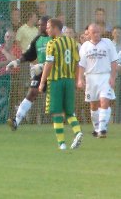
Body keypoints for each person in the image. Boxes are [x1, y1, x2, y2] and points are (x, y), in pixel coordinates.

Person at [39, 18, 83, 150]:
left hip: (56, 82)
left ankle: (62, 144)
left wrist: (42, 82)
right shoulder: (72, 42)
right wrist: (76, 80)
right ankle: (78, 132)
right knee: (69, 111)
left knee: (57, 112)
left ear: (55, 28)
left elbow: (49, 64)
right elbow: (77, 63)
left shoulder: (52, 43)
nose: (46, 29)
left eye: (48, 27)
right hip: (69, 81)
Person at [7, 16, 51, 130]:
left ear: (49, 26)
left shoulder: (55, 39)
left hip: (55, 72)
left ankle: (74, 125)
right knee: (32, 92)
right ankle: (16, 121)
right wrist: (16, 61)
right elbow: (29, 54)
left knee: (60, 98)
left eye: (43, 25)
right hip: (41, 71)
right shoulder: (37, 40)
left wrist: (42, 65)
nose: (40, 27)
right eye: (39, 25)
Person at [77, 23, 118, 138]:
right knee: (93, 105)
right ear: (88, 34)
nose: (96, 34)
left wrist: (112, 77)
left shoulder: (107, 43)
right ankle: (96, 128)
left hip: (105, 76)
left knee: (104, 101)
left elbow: (114, 61)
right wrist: (80, 79)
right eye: (93, 32)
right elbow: (81, 65)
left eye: (98, 32)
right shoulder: (85, 46)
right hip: (90, 77)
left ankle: (103, 129)